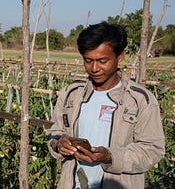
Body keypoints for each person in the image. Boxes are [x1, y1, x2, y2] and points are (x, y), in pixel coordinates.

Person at [46, 22, 165, 189]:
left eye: (102, 61)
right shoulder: (71, 94)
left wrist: (110, 157)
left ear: (120, 56)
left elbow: (152, 149)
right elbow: (54, 132)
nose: (94, 68)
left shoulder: (139, 100)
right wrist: (59, 144)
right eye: (88, 61)